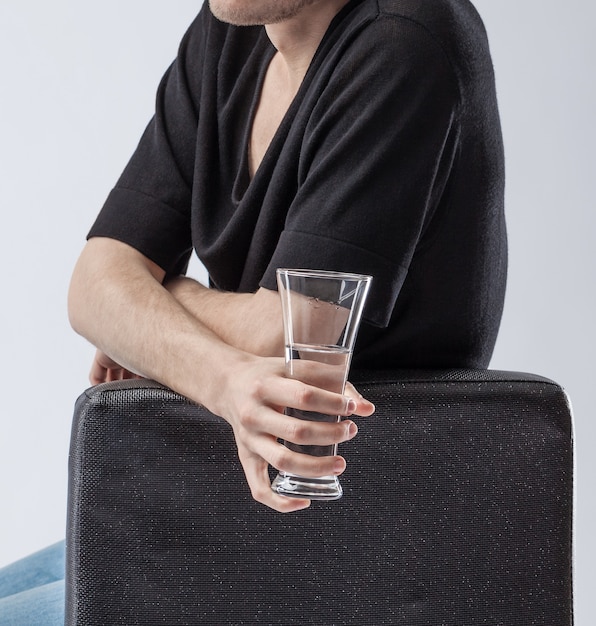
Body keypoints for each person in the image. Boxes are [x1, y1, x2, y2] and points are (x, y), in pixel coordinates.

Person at [1, 0, 506, 623]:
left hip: (363, 539)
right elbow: (92, 284)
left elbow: (286, 336)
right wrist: (218, 374)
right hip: (218, 502)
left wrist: (162, 303)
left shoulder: (404, 40)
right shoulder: (231, 25)